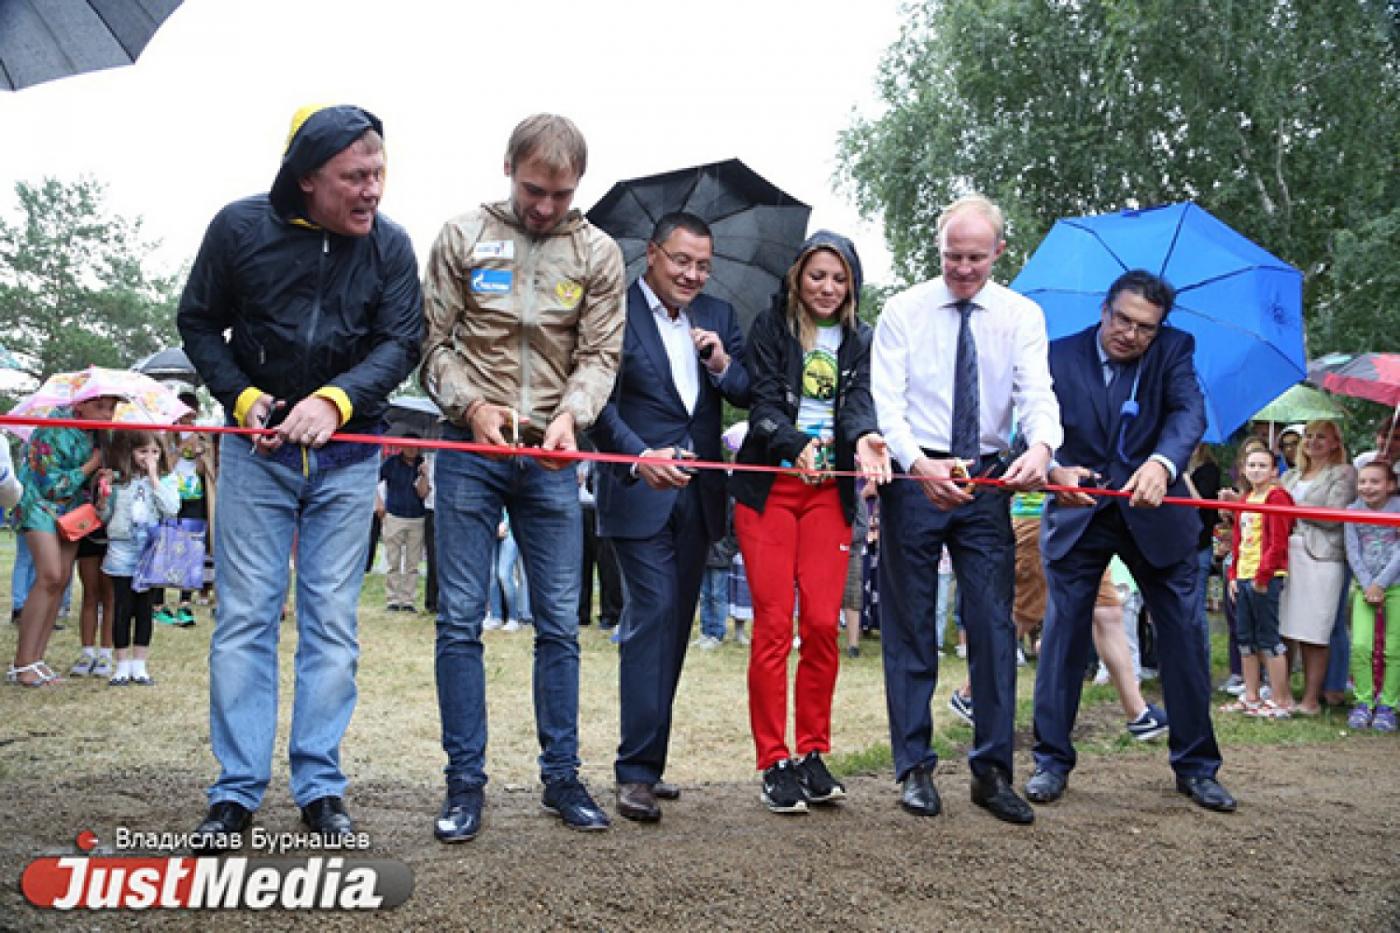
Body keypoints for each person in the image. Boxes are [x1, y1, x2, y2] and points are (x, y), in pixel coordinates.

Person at [178, 104, 423, 848]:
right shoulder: (238, 228)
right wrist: (244, 397)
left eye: (379, 172)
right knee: (246, 619)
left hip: (350, 463)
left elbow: (401, 339)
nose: (372, 189)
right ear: (306, 178)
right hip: (258, 459)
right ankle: (235, 792)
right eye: (355, 176)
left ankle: (320, 787)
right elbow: (196, 321)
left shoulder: (391, 247)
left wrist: (337, 399)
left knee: (331, 627)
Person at [422, 113, 624, 840]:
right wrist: (471, 406)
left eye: (561, 194)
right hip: (470, 450)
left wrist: (573, 416)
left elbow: (600, 355)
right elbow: (432, 345)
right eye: (535, 189)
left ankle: (562, 776)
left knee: (560, 624)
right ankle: (464, 782)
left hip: (550, 457)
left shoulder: (598, 253)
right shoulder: (460, 237)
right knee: (458, 618)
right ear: (508, 166)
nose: (546, 206)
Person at [871, 195, 1060, 825]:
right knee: (909, 625)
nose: (963, 268)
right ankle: (915, 768)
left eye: (976, 257)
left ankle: (992, 771)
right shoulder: (902, 311)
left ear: (999, 253)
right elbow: (886, 403)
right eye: (953, 256)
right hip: (914, 474)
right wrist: (914, 465)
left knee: (991, 625)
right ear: (939, 249)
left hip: (986, 476)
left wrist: (1040, 446)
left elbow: (1037, 393)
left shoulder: (1022, 315)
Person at [1027, 269, 1235, 814]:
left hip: (1156, 516)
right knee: (1063, 638)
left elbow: (1190, 414)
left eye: (1146, 326)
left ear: (1160, 326)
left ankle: (1196, 767)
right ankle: (1050, 762)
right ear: (1104, 309)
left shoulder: (1174, 351)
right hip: (1080, 512)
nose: (1132, 334)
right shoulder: (1056, 355)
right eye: (1123, 320)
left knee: (1185, 639)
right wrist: (1053, 467)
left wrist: (1163, 465)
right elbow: (1031, 424)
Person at [589, 210, 750, 823]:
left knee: (676, 628)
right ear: (652, 254)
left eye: (703, 265)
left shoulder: (718, 319)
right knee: (651, 616)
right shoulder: (614, 310)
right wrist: (638, 457)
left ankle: (649, 765)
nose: (693, 274)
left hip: (700, 498)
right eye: (682, 260)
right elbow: (596, 404)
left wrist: (719, 363)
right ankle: (633, 772)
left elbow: (745, 389)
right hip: (637, 494)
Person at [730, 231, 890, 814]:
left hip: (830, 494)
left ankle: (812, 752)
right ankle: (773, 759)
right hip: (770, 489)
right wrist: (795, 443)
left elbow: (860, 406)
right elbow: (764, 404)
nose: (827, 287)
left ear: (852, 285)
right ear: (798, 277)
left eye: (838, 277)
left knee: (823, 623)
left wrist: (867, 438)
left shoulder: (863, 340)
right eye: (817, 275)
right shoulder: (771, 326)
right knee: (774, 625)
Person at [8, 392, 120, 687]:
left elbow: (87, 482)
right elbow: (50, 484)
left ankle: (36, 659)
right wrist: (90, 466)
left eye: (111, 407)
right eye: (100, 406)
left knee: (60, 582)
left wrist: (102, 478)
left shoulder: (98, 435)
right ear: (80, 404)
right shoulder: (53, 427)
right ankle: (22, 663)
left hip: (73, 512)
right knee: (50, 575)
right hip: (39, 505)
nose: (107, 413)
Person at [1277, 419, 1356, 715]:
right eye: (1308, 436)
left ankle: (1311, 700)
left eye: (1321, 437)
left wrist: (1291, 510)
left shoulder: (1344, 473)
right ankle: (1282, 693)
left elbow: (1334, 515)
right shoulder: (1291, 476)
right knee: (1284, 628)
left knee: (1315, 631)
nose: (1312, 442)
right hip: (1287, 556)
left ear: (1335, 443)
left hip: (1322, 558)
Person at [96, 429, 180, 686]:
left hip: (150, 551)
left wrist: (154, 478)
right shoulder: (120, 482)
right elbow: (104, 517)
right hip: (122, 550)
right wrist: (103, 498)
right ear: (130, 453)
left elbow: (171, 509)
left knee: (144, 608)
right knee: (122, 607)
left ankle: (140, 664)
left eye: (155, 451)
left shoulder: (166, 480)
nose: (149, 457)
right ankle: (121, 664)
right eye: (143, 451)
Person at [1218, 446, 1295, 718]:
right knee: (1245, 638)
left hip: (1266, 577)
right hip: (1243, 575)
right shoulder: (1246, 498)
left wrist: (1263, 576)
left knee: (1268, 639)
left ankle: (1280, 699)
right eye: (1252, 465)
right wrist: (1233, 575)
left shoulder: (1278, 497)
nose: (1256, 470)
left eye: (1263, 466)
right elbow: (1238, 541)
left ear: (1274, 471)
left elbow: (1278, 542)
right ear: (1243, 469)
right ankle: (1250, 695)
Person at [1344, 460, 1400, 732]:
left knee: (1394, 648)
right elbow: (1353, 551)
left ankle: (1389, 705)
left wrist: (1381, 583)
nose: (1367, 487)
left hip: (1396, 585)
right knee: (1361, 646)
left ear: (1390, 485)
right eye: (1362, 481)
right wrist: (1369, 584)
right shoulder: (1352, 511)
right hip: (1364, 586)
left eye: (1375, 481)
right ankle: (1363, 700)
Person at [380, 436, 428, 612]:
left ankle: (408, 600)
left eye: (416, 446)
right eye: (408, 446)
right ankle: (392, 599)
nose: (412, 449)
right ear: (401, 445)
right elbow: (374, 480)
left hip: (417, 517)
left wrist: (424, 475)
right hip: (394, 515)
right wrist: (378, 503)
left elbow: (423, 493)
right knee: (392, 560)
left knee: (412, 563)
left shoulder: (422, 464)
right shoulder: (391, 462)